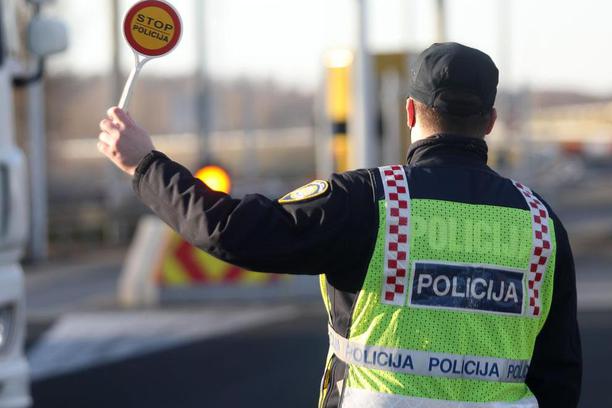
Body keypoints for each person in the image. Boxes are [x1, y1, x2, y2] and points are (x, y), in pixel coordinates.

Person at [97, 42, 581, 407]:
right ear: (491, 120)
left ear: (409, 111)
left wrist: (145, 165)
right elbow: (559, 373)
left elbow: (231, 230)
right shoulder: (540, 223)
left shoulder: (370, 200)